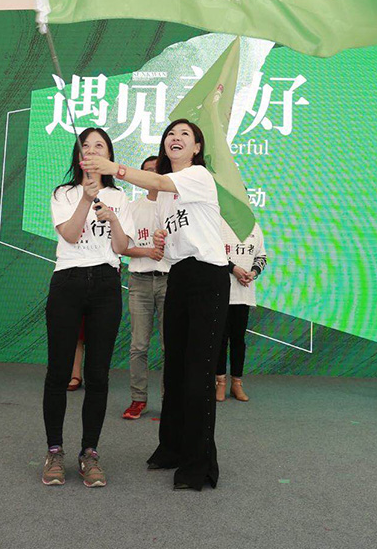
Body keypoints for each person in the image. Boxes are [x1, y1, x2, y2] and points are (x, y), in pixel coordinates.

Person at [82, 119, 227, 491]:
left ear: (197, 147)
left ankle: (199, 465)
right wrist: (163, 239)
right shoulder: (164, 197)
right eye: (170, 134)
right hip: (178, 275)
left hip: (207, 279)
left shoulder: (198, 176)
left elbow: (160, 182)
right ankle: (172, 448)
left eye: (184, 135)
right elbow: (173, 228)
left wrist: (113, 168)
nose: (175, 138)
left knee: (197, 373)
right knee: (174, 371)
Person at [41, 127, 135, 488]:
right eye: (87, 146)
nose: (93, 151)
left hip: (107, 284)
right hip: (68, 281)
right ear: (79, 157)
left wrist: (112, 218)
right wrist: (85, 199)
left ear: (108, 155)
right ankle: (54, 451)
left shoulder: (119, 196)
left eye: (100, 146)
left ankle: (89, 453)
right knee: (59, 371)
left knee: (98, 374)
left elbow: (122, 247)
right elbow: (69, 234)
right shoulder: (63, 193)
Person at [121, 156, 168, 420]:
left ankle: (169, 403)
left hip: (170, 281)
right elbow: (121, 247)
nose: (152, 175)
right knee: (138, 345)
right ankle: (138, 399)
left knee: (170, 345)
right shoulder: (132, 208)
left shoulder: (175, 207)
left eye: (157, 171)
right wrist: (148, 252)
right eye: (147, 171)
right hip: (139, 281)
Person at [217, 219, 266, 402]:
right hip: (221, 292)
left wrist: (253, 273)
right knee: (220, 339)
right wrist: (234, 269)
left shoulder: (253, 226)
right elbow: (212, 254)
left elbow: (261, 257)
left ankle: (237, 383)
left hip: (243, 294)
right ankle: (220, 382)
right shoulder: (218, 223)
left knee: (238, 340)